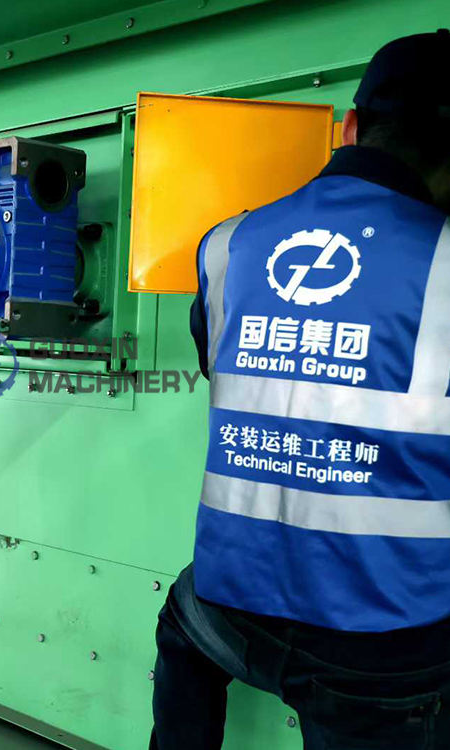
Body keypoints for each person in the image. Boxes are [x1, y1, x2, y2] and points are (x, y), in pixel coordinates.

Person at [150, 30, 450, 750]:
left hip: (230, 606)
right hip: (380, 643)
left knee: (181, 625)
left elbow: (226, 371)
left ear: (350, 127)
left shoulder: (225, 245)